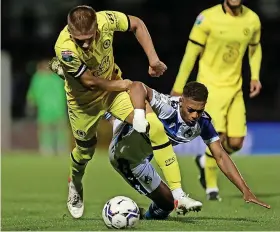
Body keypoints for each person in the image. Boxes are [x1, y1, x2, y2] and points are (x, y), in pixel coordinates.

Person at [50, 5, 190, 218]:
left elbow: (137, 24)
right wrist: (123, 85)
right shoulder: (65, 48)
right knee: (85, 151)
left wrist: (153, 59)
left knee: (153, 126)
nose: (85, 44)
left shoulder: (107, 19)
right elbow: (89, 82)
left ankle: (178, 192)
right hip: (83, 102)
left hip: (112, 91)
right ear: (70, 33)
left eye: (89, 37)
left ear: (97, 26)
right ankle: (75, 184)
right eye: (80, 40)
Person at [126, 81, 270, 216]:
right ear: (181, 101)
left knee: (168, 205)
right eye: (191, 110)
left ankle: (139, 215)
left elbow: (220, 156)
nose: (195, 115)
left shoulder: (203, 123)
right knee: (169, 202)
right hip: (126, 150)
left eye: (199, 111)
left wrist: (245, 190)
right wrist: (137, 114)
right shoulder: (166, 106)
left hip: (143, 158)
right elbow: (138, 86)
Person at [170, 0, 262, 201]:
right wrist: (178, 87)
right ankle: (212, 188)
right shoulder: (207, 18)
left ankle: (205, 161)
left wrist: (255, 76)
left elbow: (255, 48)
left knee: (236, 142)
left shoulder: (252, 19)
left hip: (235, 88)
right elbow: (190, 55)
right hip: (211, 87)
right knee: (216, 138)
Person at [26, 59, 69, 156]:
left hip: (47, 108)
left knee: (47, 129)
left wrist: (30, 104)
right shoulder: (57, 77)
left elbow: (31, 94)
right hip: (57, 107)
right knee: (58, 129)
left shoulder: (38, 78)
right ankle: (59, 147)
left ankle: (47, 148)